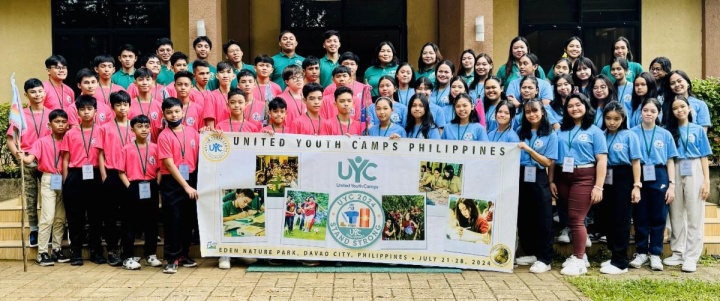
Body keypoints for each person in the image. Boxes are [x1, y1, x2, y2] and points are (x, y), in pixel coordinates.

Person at [550, 93, 608, 276]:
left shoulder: (594, 131)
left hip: (584, 175)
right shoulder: (560, 131)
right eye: (570, 106)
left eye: (578, 104)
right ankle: (581, 257)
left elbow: (602, 160)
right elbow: (552, 158)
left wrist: (598, 186)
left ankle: (579, 259)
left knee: (576, 218)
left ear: (586, 106)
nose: (574, 108)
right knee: (569, 217)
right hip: (562, 175)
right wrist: (551, 180)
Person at [628, 98, 678, 271]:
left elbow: (670, 160)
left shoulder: (665, 134)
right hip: (638, 173)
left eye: (653, 111)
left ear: (658, 113)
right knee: (640, 214)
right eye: (645, 110)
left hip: (659, 174)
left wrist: (672, 184)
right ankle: (641, 252)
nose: (648, 114)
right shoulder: (631, 133)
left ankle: (655, 253)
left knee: (658, 215)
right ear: (640, 112)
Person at [664, 96, 712, 273]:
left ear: (689, 108)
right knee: (675, 212)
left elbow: (704, 156)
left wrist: (706, 180)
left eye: (682, 106)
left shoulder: (698, 130)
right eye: (675, 108)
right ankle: (678, 251)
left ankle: (691, 256)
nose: (679, 110)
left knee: (694, 212)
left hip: (694, 166)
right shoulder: (669, 130)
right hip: (675, 167)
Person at [597, 102, 642, 275]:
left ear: (623, 119)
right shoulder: (601, 134)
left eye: (616, 119)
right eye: (608, 118)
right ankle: (614, 255)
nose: (612, 122)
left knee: (621, 219)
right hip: (605, 177)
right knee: (608, 218)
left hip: (624, 177)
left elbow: (636, 162)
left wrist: (636, 185)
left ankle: (621, 261)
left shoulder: (630, 135)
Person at [60, 95, 106, 266]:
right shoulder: (70, 133)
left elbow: (103, 155)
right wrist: (66, 180)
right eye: (82, 109)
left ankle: (96, 251)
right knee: (75, 217)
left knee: (96, 216)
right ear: (77, 112)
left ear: (95, 111)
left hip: (94, 175)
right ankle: (76, 252)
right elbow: (65, 158)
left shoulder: (101, 130)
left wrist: (103, 178)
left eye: (89, 109)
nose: (86, 112)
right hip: (76, 175)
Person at [515, 99, 558, 274]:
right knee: (524, 217)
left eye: (535, 111)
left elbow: (548, 161)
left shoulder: (550, 134)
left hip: (539, 175)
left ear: (543, 112)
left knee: (543, 217)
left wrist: (530, 150)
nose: (531, 115)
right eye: (528, 112)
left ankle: (545, 258)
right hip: (520, 174)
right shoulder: (520, 131)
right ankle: (531, 252)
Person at [6, 78, 51, 248]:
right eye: (33, 92)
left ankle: (50, 227)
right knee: (31, 196)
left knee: (51, 196)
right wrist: (20, 157)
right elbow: (11, 139)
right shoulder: (20, 115)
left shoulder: (52, 113)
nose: (37, 94)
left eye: (40, 91)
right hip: (28, 160)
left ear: (44, 92)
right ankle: (34, 230)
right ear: (26, 95)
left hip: (48, 162)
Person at [158, 97, 201, 274]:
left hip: (191, 178)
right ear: (164, 115)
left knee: (188, 219)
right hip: (173, 182)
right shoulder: (164, 136)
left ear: (183, 112)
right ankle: (171, 258)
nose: (173, 115)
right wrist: (185, 186)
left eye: (176, 111)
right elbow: (169, 164)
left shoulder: (193, 133)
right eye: (169, 112)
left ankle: (184, 254)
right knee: (173, 220)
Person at [20, 109, 69, 266]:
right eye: (57, 122)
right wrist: (20, 155)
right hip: (48, 179)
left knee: (60, 218)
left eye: (63, 122)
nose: (60, 125)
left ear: (68, 125)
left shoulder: (70, 140)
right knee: (48, 217)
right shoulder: (41, 142)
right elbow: (30, 159)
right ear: (49, 124)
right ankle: (42, 252)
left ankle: (56, 249)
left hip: (65, 179)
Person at [95, 90, 135, 267]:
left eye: (125, 104)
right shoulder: (105, 128)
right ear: (112, 107)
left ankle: (128, 251)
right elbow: (101, 153)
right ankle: (113, 250)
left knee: (128, 215)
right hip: (111, 175)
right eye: (118, 105)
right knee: (110, 215)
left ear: (129, 106)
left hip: (130, 175)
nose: (122, 108)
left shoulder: (136, 128)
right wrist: (104, 175)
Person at [117, 114, 162, 270]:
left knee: (151, 223)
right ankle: (127, 257)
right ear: (132, 129)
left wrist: (156, 184)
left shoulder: (155, 147)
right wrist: (129, 187)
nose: (144, 129)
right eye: (139, 126)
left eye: (146, 126)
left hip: (150, 185)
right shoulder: (126, 148)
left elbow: (159, 169)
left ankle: (150, 254)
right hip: (133, 186)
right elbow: (121, 171)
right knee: (129, 223)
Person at [127, 68, 163, 141]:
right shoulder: (128, 106)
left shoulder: (160, 106)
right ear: (135, 83)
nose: (144, 83)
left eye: (148, 79)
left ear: (152, 82)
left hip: (154, 148)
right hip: (134, 147)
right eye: (140, 79)